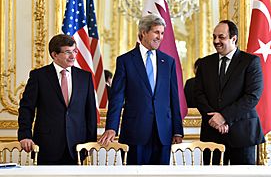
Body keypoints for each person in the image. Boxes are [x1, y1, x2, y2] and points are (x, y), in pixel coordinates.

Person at [98, 14, 183, 165]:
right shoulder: (125, 61)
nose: (160, 37)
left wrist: (177, 130)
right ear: (143, 32)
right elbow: (117, 98)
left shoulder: (168, 62)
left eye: (162, 33)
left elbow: (173, 98)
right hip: (135, 132)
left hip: (163, 134)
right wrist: (111, 127)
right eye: (156, 32)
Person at [18, 34, 97, 165]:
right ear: (54, 55)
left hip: (78, 147)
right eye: (67, 52)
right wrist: (25, 135)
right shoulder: (39, 76)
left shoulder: (85, 77)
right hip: (47, 146)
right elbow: (26, 108)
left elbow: (90, 113)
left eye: (74, 51)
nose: (73, 56)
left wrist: (91, 141)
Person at [194, 20, 265, 165]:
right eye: (214, 37)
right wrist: (215, 120)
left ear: (234, 38)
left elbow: (252, 96)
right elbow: (198, 94)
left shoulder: (250, 62)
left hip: (243, 134)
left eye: (221, 37)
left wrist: (224, 117)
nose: (216, 41)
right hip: (212, 134)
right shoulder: (205, 64)